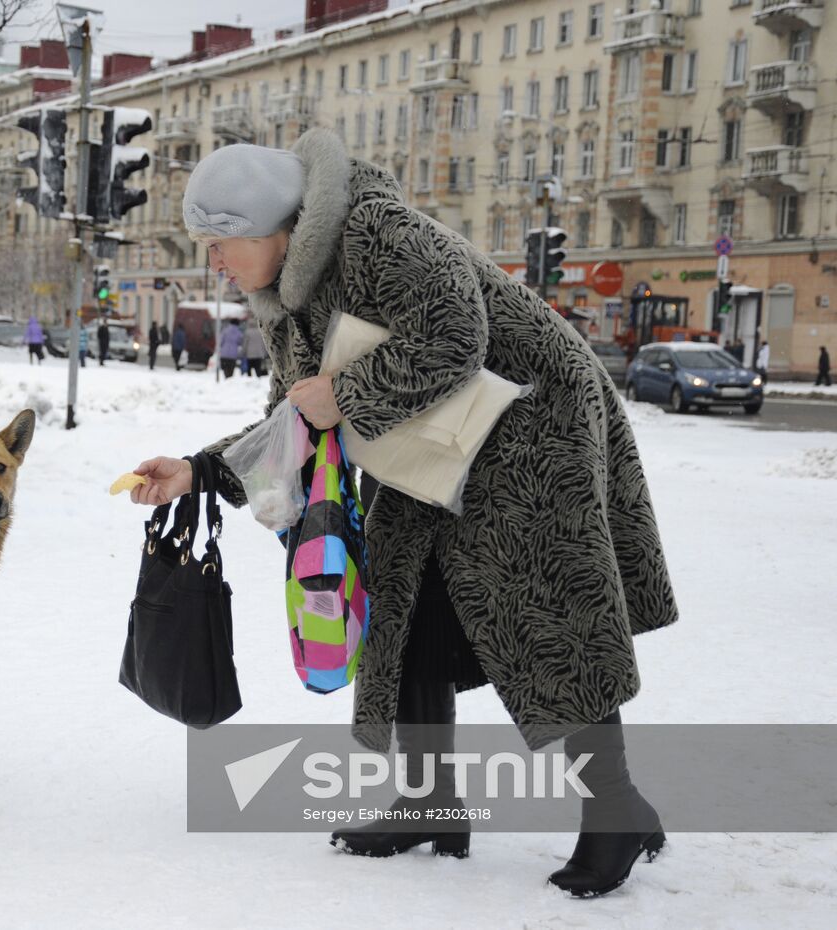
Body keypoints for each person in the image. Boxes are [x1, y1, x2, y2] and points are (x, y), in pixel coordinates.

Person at [125, 130, 678, 898]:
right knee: (404, 606)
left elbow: (455, 336)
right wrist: (199, 470)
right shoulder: (286, 301)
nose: (213, 260)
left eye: (221, 242)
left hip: (531, 421)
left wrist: (344, 393)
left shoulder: (379, 231)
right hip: (427, 441)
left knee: (549, 609)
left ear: (275, 226)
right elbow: (293, 423)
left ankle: (616, 810)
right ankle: (428, 800)